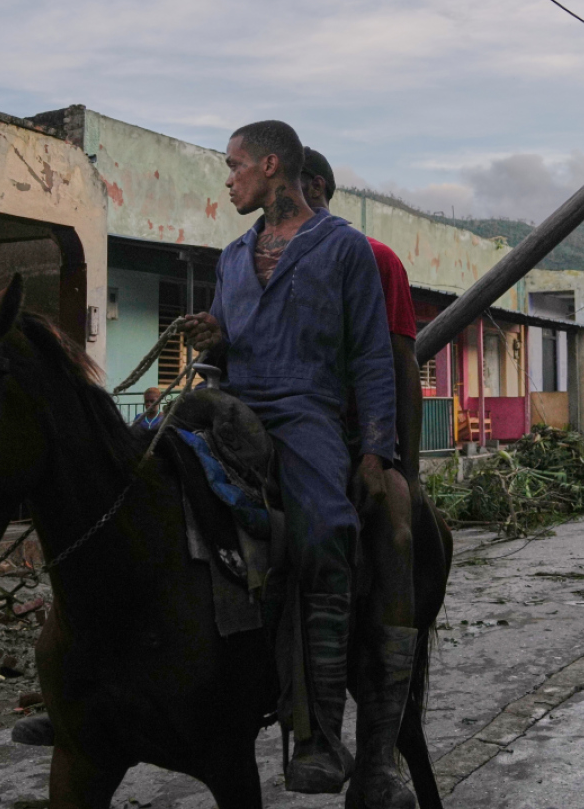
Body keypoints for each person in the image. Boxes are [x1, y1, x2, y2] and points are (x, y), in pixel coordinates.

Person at [182, 121, 396, 794]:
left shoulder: (344, 250)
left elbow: (370, 354)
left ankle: (320, 733)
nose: (229, 178)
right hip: (231, 405)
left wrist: (374, 450)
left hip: (305, 411)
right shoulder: (231, 256)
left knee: (328, 529)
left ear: (272, 165)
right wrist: (212, 334)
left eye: (236, 165)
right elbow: (225, 344)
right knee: (134, 466)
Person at [299, 146, 419, 809]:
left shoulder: (375, 260)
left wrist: (400, 468)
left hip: (347, 444)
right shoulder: (250, 256)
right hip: (271, 433)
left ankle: (376, 755)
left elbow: (400, 365)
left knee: (395, 531)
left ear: (312, 186)